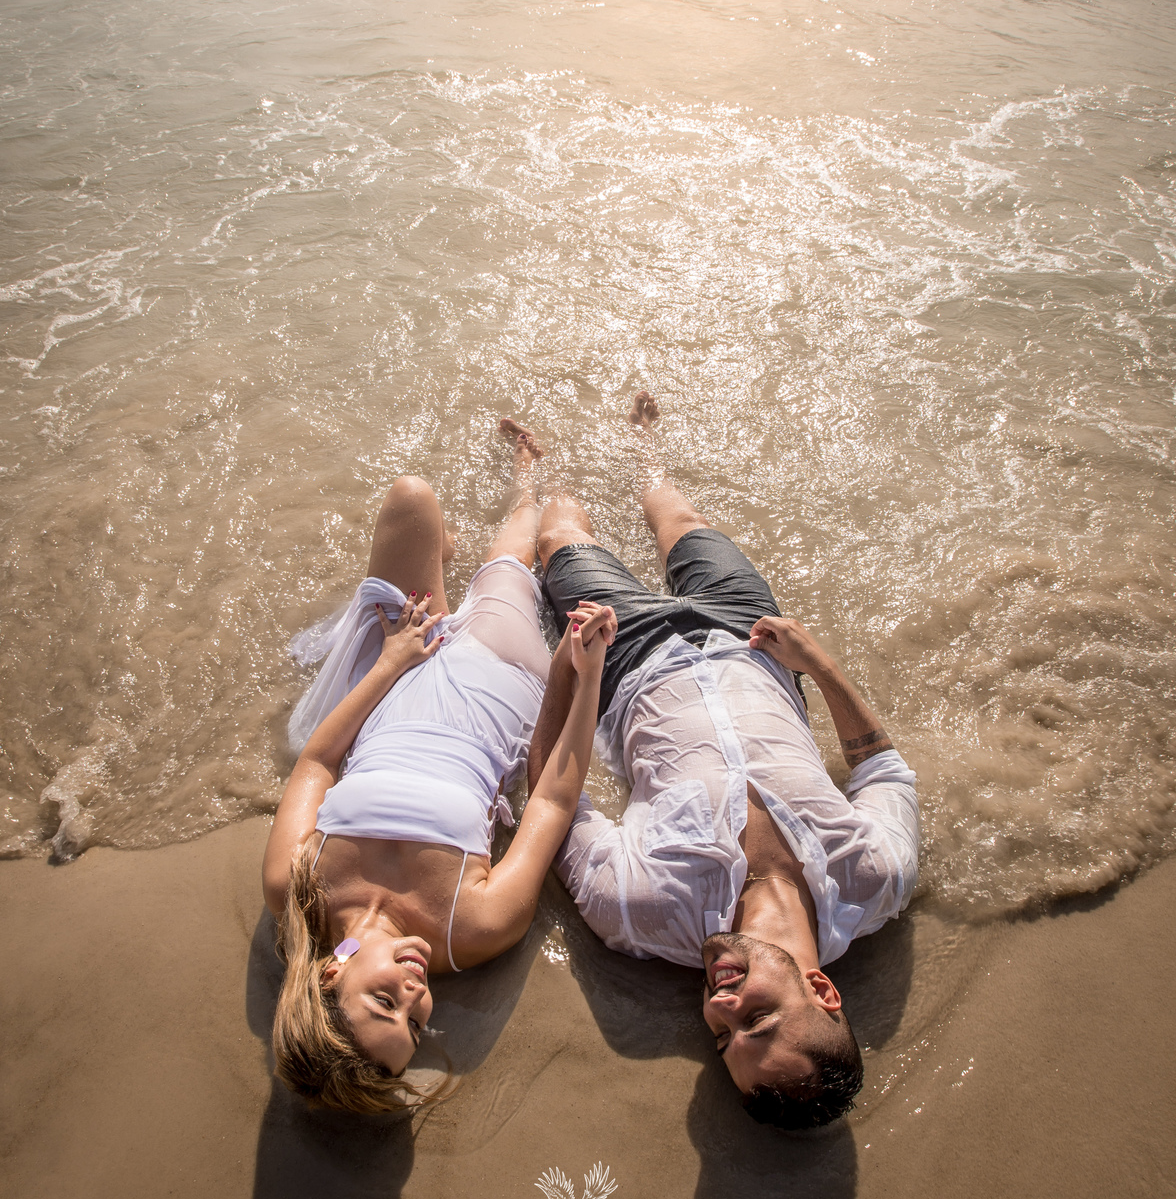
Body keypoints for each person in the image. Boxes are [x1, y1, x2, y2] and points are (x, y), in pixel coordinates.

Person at [533, 392, 920, 1131]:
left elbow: (556, 796)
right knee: (678, 519)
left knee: (559, 533)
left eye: (723, 1036)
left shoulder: (640, 913)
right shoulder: (875, 879)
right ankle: (643, 446)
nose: (720, 1006)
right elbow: (883, 770)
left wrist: (568, 668)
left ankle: (546, 457)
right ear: (823, 991)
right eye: (758, 1020)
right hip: (754, 640)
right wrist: (817, 662)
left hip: (626, 660)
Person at [263, 419, 615, 1115]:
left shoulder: (292, 889)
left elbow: (318, 763)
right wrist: (587, 673)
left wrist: (391, 662)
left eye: (386, 1002)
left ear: (331, 977)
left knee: (411, 499)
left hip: (402, 666)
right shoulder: (472, 929)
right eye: (418, 1022)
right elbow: (549, 804)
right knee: (517, 545)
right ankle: (529, 470)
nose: (419, 995)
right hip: (499, 676)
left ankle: (442, 565)